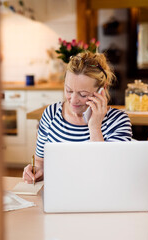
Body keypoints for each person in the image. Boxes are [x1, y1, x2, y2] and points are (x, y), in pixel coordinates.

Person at [22, 51, 132, 183]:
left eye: (83, 94)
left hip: (99, 198)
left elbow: (110, 175)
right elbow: (40, 160)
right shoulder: (51, 114)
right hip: (58, 196)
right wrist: (36, 170)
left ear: (102, 90)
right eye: (68, 90)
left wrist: (95, 127)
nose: (73, 100)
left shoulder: (118, 121)